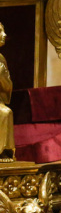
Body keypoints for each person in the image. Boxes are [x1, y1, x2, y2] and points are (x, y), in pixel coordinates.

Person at [0, 23, 14, 161]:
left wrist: (1, 77)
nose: (4, 35)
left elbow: (8, 88)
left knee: (6, 113)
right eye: (0, 32)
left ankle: (3, 151)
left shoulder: (1, 59)